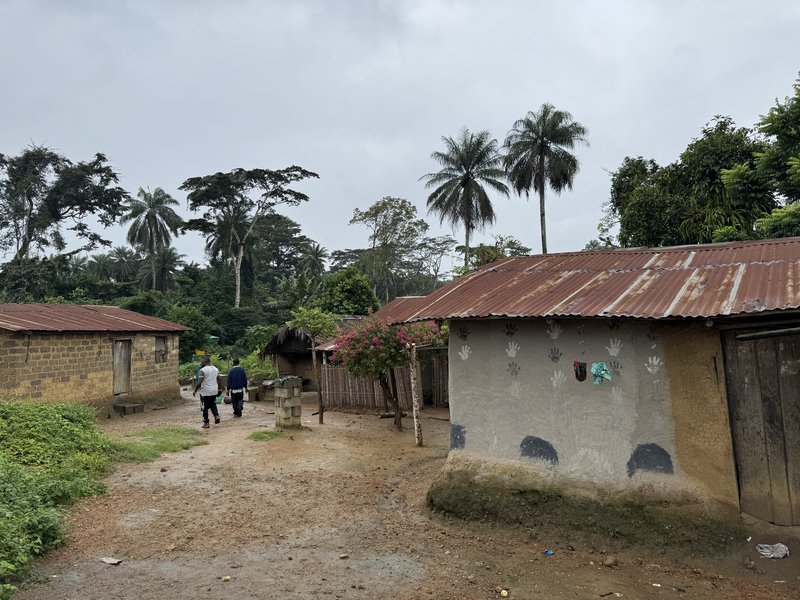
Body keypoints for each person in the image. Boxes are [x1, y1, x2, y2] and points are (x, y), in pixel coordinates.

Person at [193, 355, 223, 428]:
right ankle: (216, 416)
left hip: (205, 391)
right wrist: (219, 388)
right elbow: (219, 379)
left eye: (202, 362)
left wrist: (195, 391)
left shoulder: (202, 370)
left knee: (205, 407)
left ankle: (206, 422)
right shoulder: (216, 369)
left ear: (205, 362)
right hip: (214, 390)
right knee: (212, 404)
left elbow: (199, 382)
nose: (201, 363)